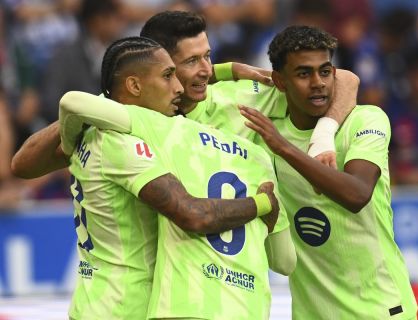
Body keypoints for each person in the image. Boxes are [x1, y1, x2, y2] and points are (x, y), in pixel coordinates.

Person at [57, 36, 293, 319]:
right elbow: (193, 214)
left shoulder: (93, 132)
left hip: (93, 301)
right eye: (169, 75)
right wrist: (262, 204)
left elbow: (25, 159)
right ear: (134, 86)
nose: (179, 87)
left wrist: (69, 146)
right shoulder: (128, 141)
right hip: (126, 306)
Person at [11, 10, 359, 178]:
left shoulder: (240, 97)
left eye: (208, 56)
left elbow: (343, 78)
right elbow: (24, 165)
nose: (207, 69)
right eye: (192, 61)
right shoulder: (117, 117)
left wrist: (324, 136)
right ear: (158, 64)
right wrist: (99, 104)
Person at [239, 25, 417, 319]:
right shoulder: (268, 132)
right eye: (303, 74)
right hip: (312, 313)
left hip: (380, 308)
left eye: (324, 71)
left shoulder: (365, 119)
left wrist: (288, 148)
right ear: (280, 82)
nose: (318, 83)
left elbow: (357, 193)